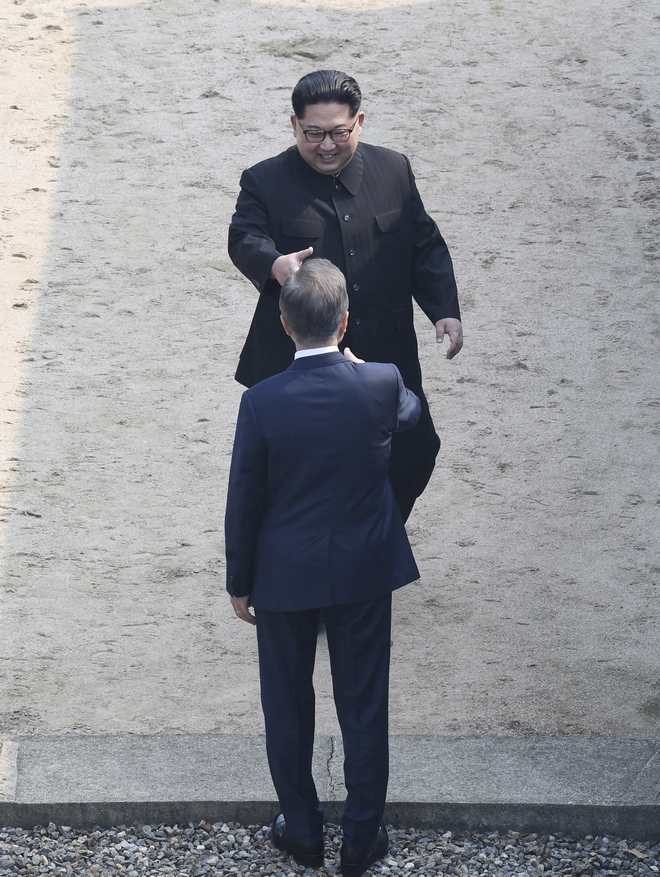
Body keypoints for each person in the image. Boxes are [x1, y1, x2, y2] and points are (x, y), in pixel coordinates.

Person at [225, 259, 421, 876]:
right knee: (363, 705)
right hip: (363, 568)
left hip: (284, 573)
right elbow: (413, 417)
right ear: (344, 322)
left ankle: (304, 830)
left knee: (286, 704)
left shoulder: (261, 402)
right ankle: (362, 836)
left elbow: (244, 498)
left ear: (284, 325)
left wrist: (239, 580)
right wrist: (366, 369)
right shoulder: (382, 383)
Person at [228, 69, 463, 522]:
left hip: (385, 354)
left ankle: (374, 537)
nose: (327, 145)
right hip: (298, 359)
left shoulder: (394, 169)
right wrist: (275, 264)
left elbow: (423, 245)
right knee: (299, 471)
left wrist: (443, 310)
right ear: (293, 125)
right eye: (314, 133)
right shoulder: (264, 180)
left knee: (416, 452)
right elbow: (244, 238)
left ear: (360, 122)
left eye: (339, 131)